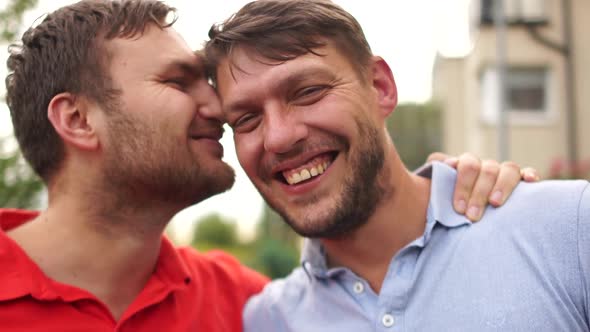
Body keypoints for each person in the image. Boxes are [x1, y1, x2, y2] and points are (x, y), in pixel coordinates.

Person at [0, 0, 534, 331]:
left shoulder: (250, 309)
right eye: (176, 81)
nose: (216, 109)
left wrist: (449, 191)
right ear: (77, 119)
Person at [204, 0, 590, 331]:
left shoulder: (567, 230)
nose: (278, 138)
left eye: (308, 92)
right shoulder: (269, 319)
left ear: (380, 87)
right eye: (247, 120)